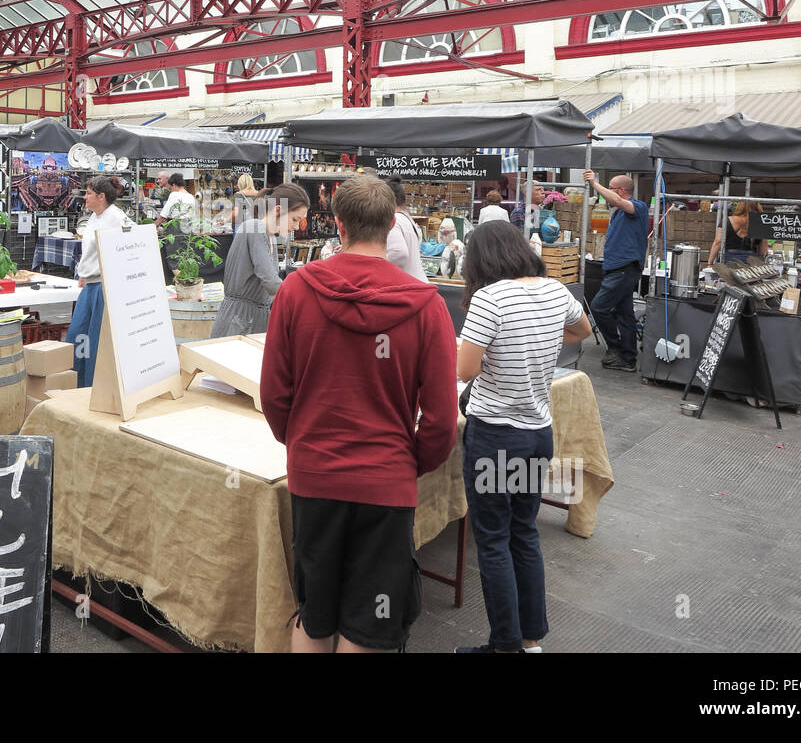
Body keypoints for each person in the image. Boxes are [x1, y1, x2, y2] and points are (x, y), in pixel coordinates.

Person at [261, 174, 458, 653]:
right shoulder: (427, 305)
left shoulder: (296, 290)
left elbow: (274, 393)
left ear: (338, 224)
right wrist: (408, 462)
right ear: (393, 224)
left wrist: (303, 441)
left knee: (314, 615)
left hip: (315, 476)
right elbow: (441, 418)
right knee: (370, 626)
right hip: (385, 483)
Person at [455, 221, 591, 653]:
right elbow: (582, 330)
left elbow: (465, 370)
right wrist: (542, 343)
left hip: (495, 436)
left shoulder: (489, 299)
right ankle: (529, 641)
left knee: (492, 541)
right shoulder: (554, 290)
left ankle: (504, 645)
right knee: (523, 534)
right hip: (536, 433)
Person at [211, 184, 309, 337]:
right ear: (278, 210)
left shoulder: (269, 236)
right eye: (294, 219)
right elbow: (270, 281)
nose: (296, 227)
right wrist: (304, 302)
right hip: (239, 322)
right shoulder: (255, 227)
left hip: (252, 321)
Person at [66, 175, 130, 388]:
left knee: (95, 339)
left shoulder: (117, 217)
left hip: (105, 286)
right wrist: (84, 273)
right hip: (91, 284)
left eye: (89, 193)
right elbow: (91, 251)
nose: (84, 197)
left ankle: (93, 386)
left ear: (101, 196)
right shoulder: (94, 216)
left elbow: (132, 247)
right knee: (78, 335)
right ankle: (77, 382)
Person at [583, 170, 649, 371]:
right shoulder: (620, 212)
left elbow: (621, 202)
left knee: (599, 307)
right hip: (619, 269)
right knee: (624, 314)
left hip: (624, 269)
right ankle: (627, 358)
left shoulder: (637, 206)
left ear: (621, 190)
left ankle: (615, 347)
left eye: (611, 189)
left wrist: (595, 183)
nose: (607, 194)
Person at [383, 177, 428, 283]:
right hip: (418, 283)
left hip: (409, 286)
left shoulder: (395, 219)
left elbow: (398, 252)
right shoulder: (406, 218)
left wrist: (377, 264)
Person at [707, 201, 768, 266]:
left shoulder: (727, 221)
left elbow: (718, 242)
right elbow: (763, 251)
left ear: (739, 207)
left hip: (729, 260)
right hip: (750, 262)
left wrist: (710, 262)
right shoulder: (760, 224)